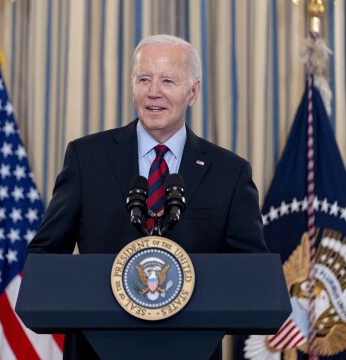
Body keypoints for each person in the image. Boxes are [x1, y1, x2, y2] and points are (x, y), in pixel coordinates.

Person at [27, 34, 267, 359]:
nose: (154, 92)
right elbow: (45, 255)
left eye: (168, 80)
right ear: (132, 86)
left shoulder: (230, 173)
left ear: (192, 92)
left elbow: (250, 274)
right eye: (144, 79)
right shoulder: (87, 159)